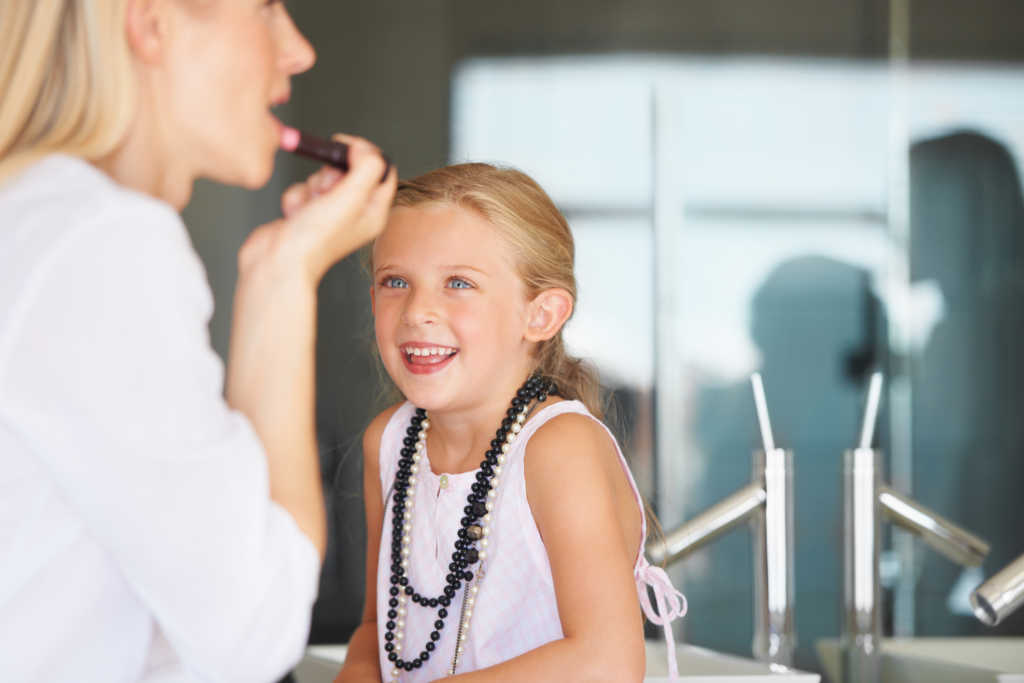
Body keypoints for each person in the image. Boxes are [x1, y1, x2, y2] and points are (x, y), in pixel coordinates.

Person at [0, 1, 395, 681]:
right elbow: (254, 631)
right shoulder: (102, 245)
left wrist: (274, 268)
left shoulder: (39, 222)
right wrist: (285, 277)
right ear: (153, 22)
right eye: (266, 8)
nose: (299, 50)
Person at [334, 164, 685, 682]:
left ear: (540, 315)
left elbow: (607, 662)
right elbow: (377, 627)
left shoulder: (558, 447)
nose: (416, 311)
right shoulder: (388, 441)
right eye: (396, 281)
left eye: (458, 283)